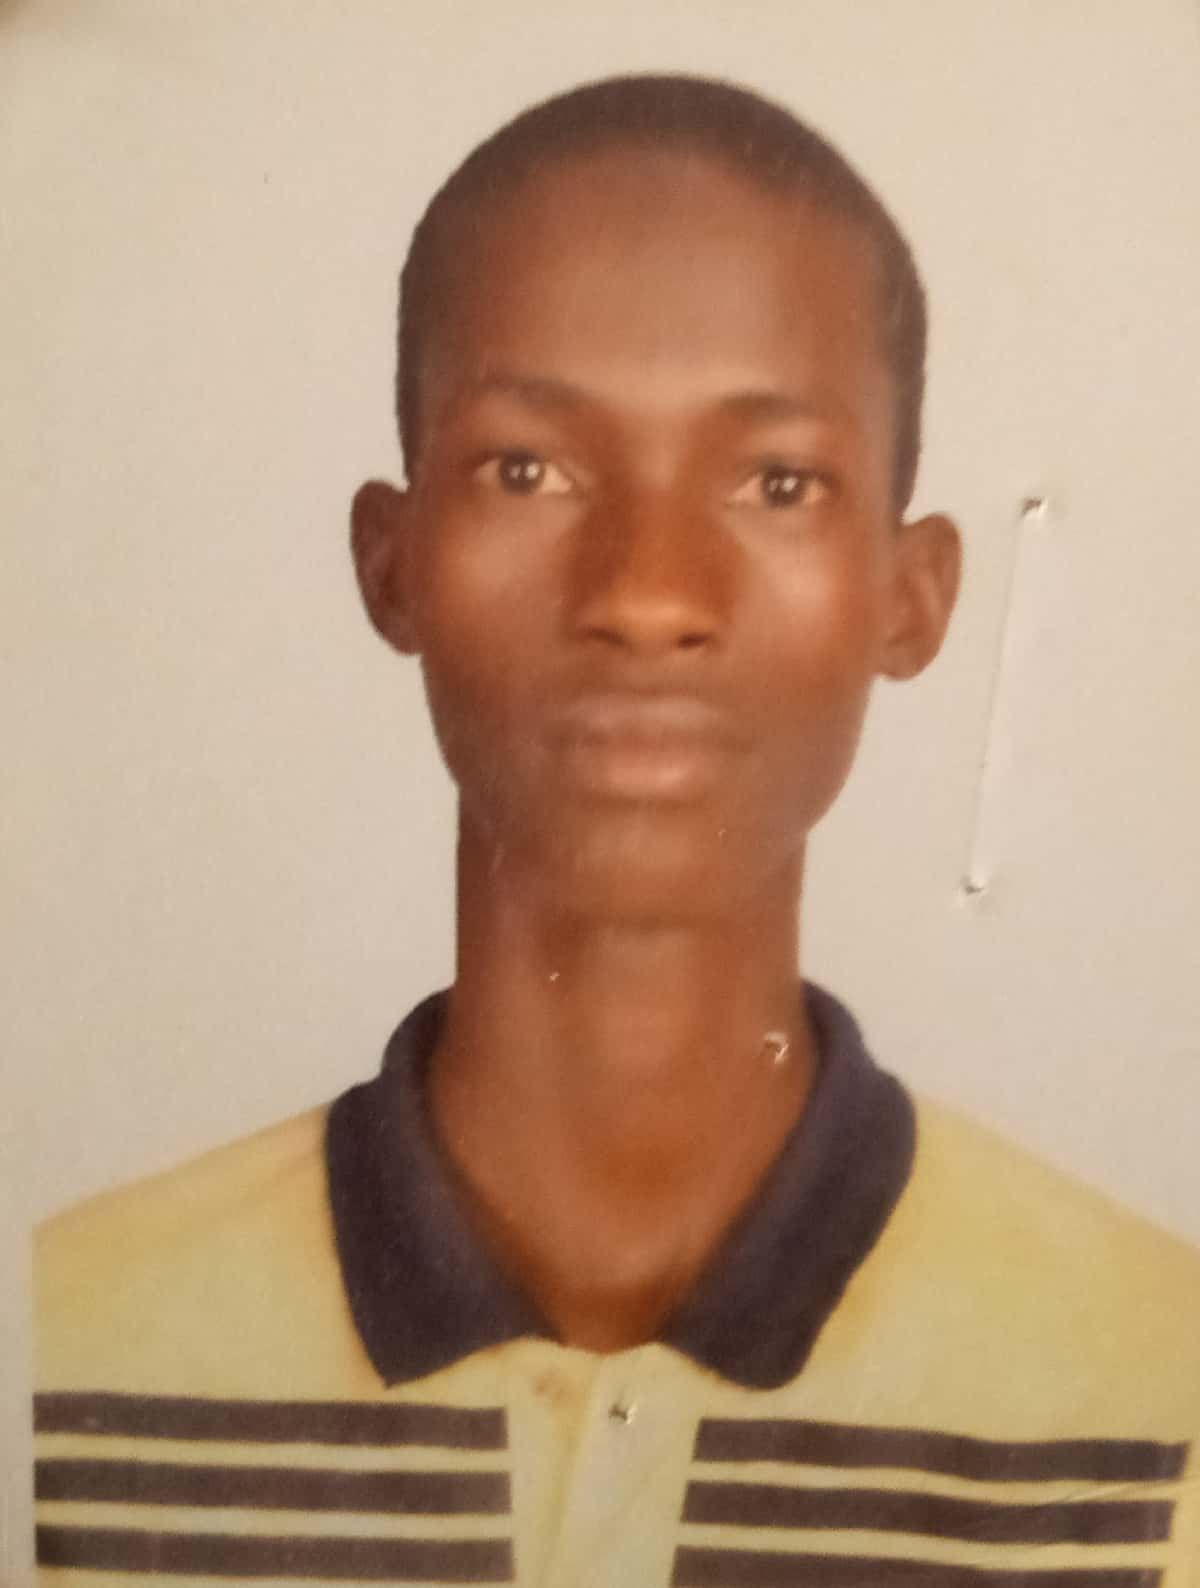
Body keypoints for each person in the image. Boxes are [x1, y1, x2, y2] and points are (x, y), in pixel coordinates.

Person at [33, 74, 1200, 1587]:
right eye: (528, 469)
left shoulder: (1154, 1398)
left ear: (911, 596)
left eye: (776, 483)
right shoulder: (63, 1354)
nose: (648, 594)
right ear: (392, 563)